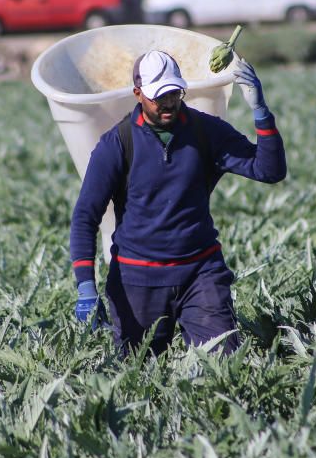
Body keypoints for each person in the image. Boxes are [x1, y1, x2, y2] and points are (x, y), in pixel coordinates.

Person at [70, 50, 286, 356]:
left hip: (201, 273)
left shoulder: (206, 132)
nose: (169, 102)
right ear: (138, 94)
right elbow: (85, 217)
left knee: (222, 370)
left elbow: (269, 170)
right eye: (160, 97)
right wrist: (85, 287)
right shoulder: (117, 143)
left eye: (175, 92)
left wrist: (261, 113)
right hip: (137, 281)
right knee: (139, 379)